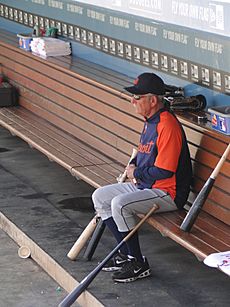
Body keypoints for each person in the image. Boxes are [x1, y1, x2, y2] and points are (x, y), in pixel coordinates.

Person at [92, 72, 192, 283]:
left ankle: (137, 262)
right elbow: (146, 154)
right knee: (100, 197)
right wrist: (134, 165)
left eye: (137, 97)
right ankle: (124, 254)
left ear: (153, 100)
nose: (132, 101)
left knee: (119, 204)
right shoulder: (150, 121)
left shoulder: (167, 125)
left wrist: (135, 173)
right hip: (147, 186)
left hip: (167, 193)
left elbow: (164, 171)